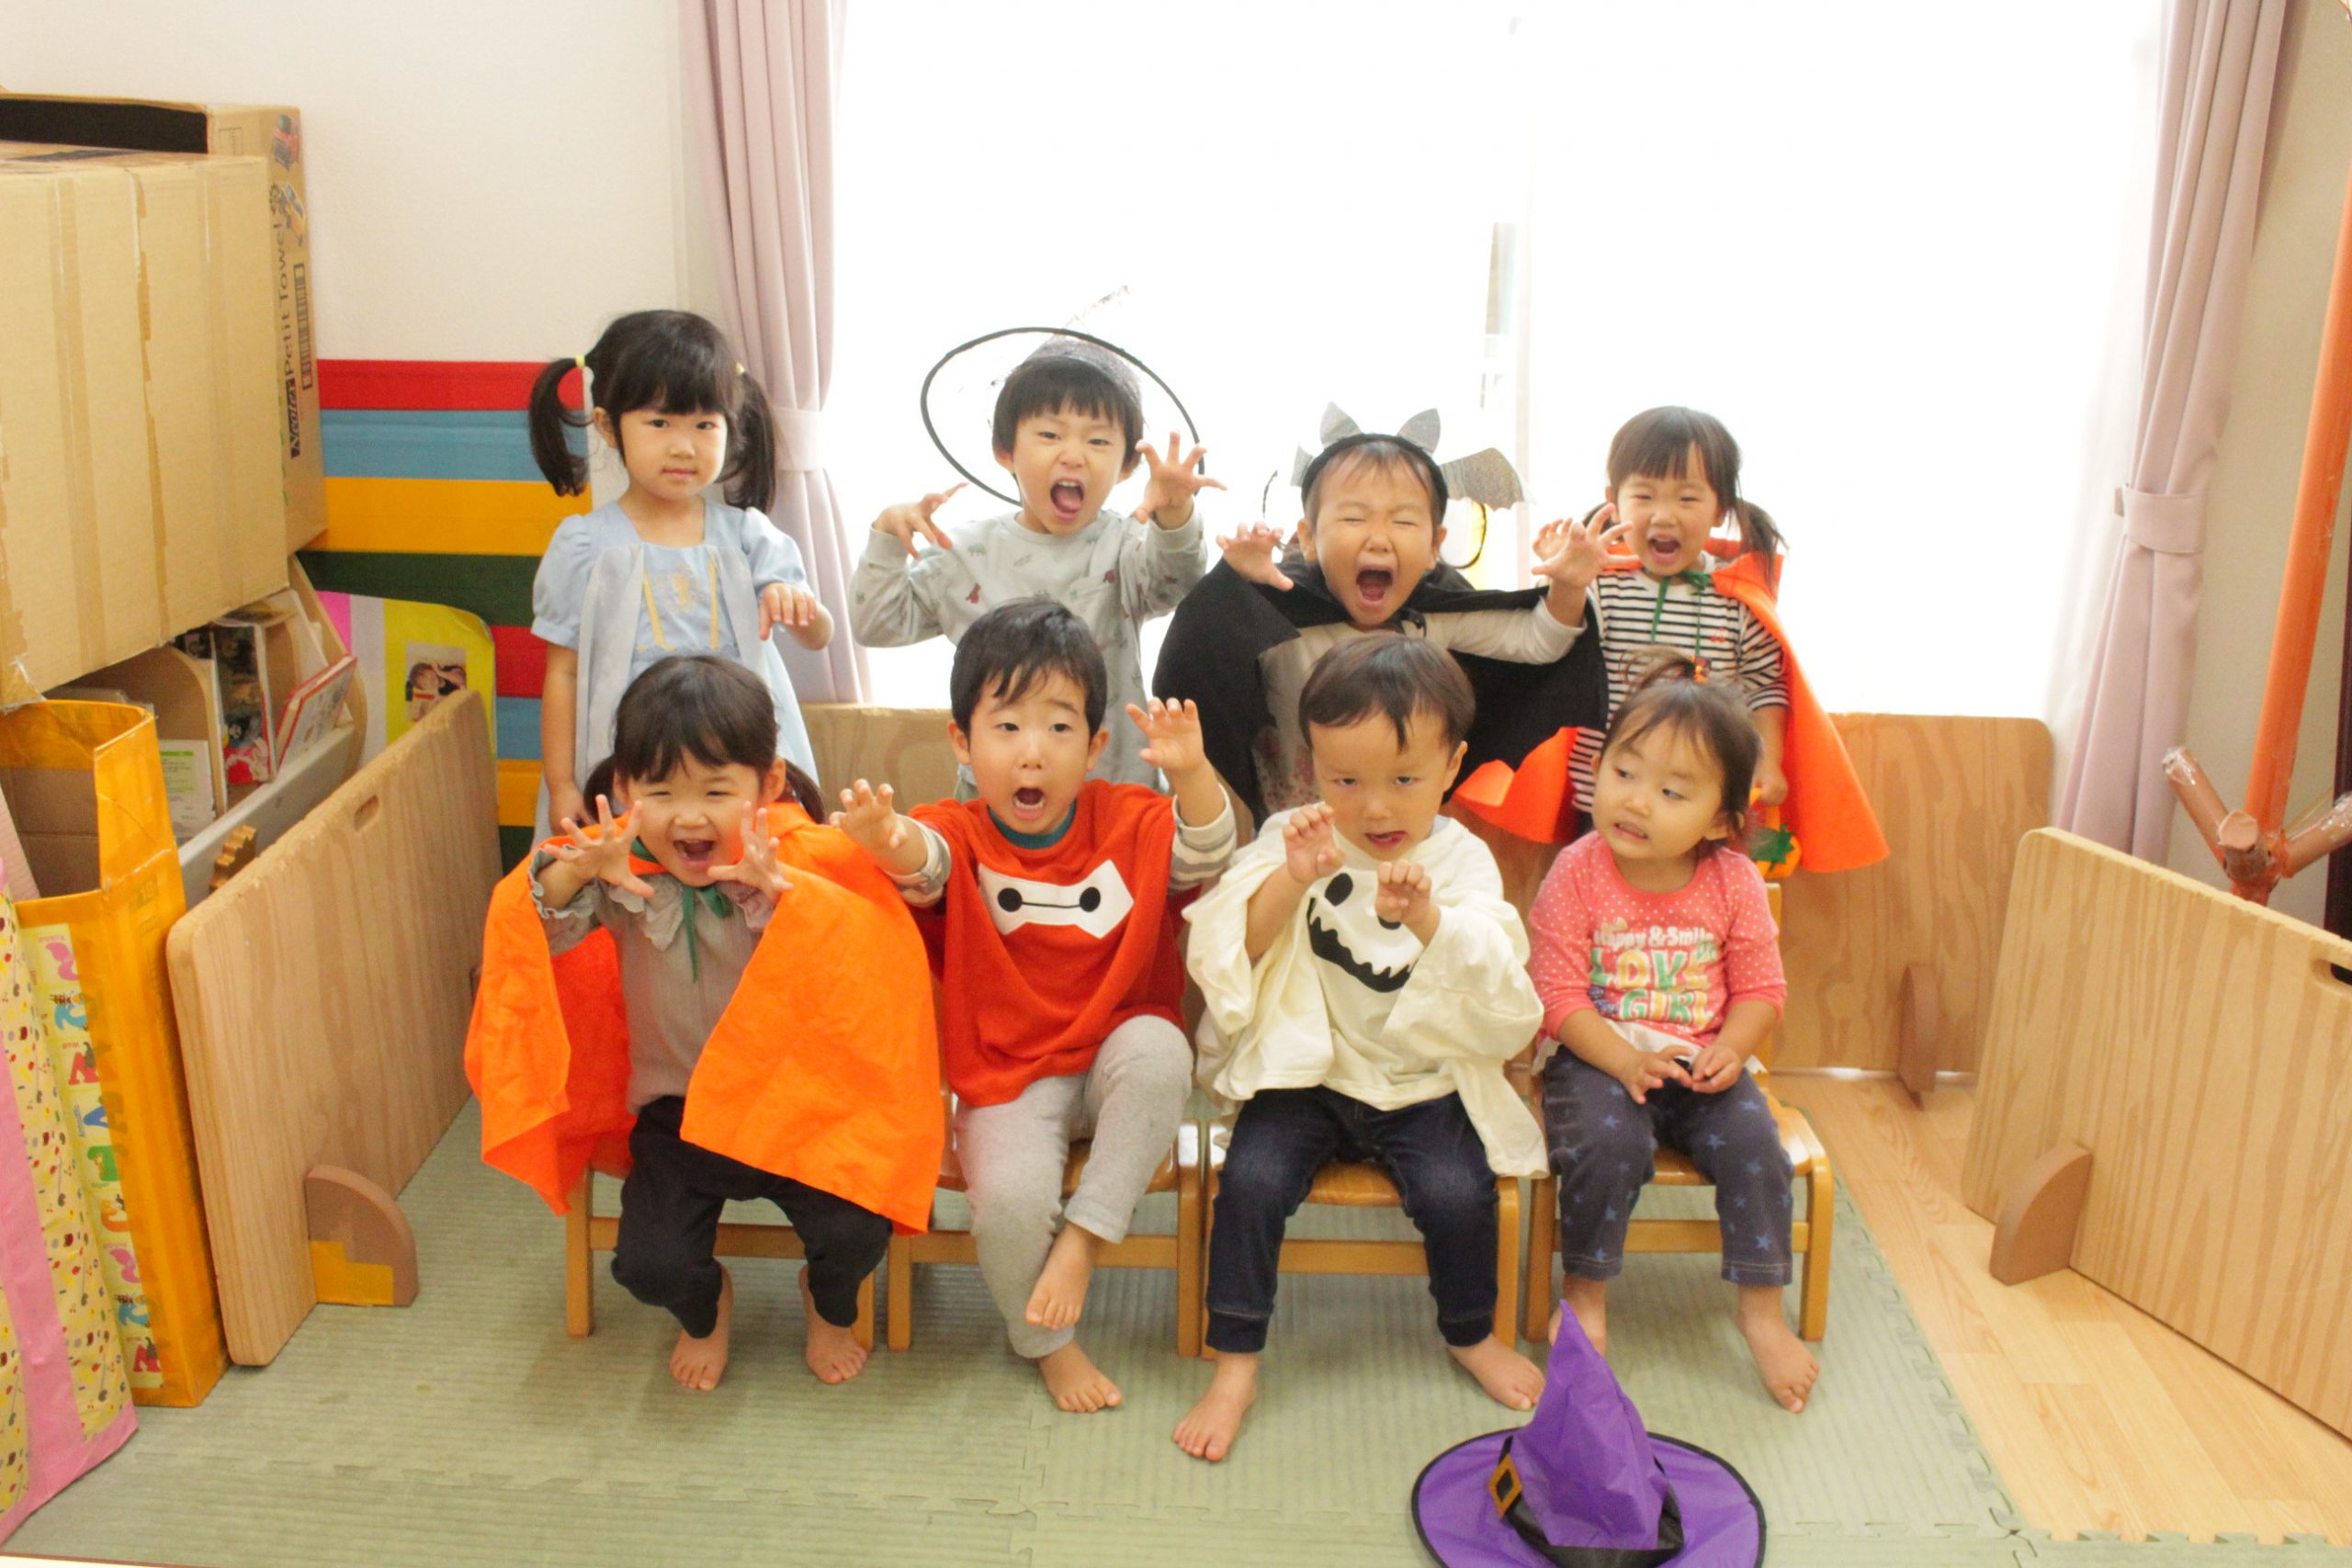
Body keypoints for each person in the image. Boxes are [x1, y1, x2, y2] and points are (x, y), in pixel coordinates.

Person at [464, 655, 941, 1393]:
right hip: (677, 1118)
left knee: (858, 1228)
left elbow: (873, 956)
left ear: (768, 785)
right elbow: (533, 928)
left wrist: (789, 901)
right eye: (661, 791)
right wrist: (578, 870)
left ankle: (827, 1300)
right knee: (646, 1264)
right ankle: (705, 1302)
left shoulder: (798, 861)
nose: (689, 817)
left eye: (716, 791)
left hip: (796, 1106)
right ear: (626, 789)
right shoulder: (622, 875)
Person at [831, 600, 1236, 1413]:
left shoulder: (1127, 817)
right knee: (1009, 1208)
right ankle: (1046, 1344)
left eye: (1058, 727)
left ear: (1094, 744)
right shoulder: (959, 830)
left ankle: (1082, 1239)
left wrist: (1192, 774)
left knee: (1164, 1048)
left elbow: (1206, 849)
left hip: (1118, 1058)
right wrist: (884, 838)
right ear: (962, 741)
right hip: (1008, 1076)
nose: (1032, 751)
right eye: (1007, 726)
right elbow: (925, 862)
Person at [1175, 637, 1549, 1463]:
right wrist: (1291, 878)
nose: (1376, 809)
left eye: (1403, 781)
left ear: (1451, 766)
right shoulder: (1295, 833)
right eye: (1346, 781)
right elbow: (1234, 949)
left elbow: (1497, 970)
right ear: (1313, 765)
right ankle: (1236, 1362)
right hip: (1308, 1075)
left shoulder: (1460, 858)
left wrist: (1428, 919)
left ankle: (1471, 1332)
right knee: (1251, 1182)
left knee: (1458, 1192)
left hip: (1419, 1082)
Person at [1525, 650, 1819, 1413]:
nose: (1635, 801)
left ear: (1721, 820)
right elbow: (1555, 996)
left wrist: (1733, 1048)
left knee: (1757, 1146)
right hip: (1596, 1053)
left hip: (1700, 1058)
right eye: (1623, 772)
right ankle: (1586, 1291)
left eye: (1671, 791)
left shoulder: (1735, 881)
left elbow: (1762, 990)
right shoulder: (1577, 871)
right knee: (1606, 1146)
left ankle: (1760, 1312)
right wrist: (1623, 1059)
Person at [1476, 404, 1883, 869]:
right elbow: (1556, 644)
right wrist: (1567, 582)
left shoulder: (1735, 600)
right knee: (1599, 899)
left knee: (1700, 906)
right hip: (1607, 798)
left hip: (1702, 806)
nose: (1664, 515)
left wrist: (1767, 761)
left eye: (1687, 499)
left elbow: (1764, 687)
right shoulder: (1602, 587)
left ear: (1720, 509)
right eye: (1644, 495)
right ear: (1614, 501)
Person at [1154, 428, 1606, 829]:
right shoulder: (1278, 612)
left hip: (1394, 833)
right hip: (1291, 833)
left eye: (1403, 520)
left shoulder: (1435, 618)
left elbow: (1540, 642)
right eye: (1354, 518)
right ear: (1308, 538)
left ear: (1434, 546)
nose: (1378, 537)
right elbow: (1197, 659)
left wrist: (1568, 588)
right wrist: (1234, 586)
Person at [850, 337, 1219, 786]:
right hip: (997, 798)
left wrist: (1175, 511)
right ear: (1006, 451)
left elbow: (1178, 582)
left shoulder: (1126, 544)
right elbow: (876, 624)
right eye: (1049, 435)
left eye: (1098, 440)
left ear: (1126, 466)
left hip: (1113, 792)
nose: (1073, 455)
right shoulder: (962, 553)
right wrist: (888, 538)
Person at [525, 309, 832, 839]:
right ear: (608, 425)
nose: (683, 446)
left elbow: (818, 636)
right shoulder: (585, 545)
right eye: (660, 423)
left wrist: (799, 604)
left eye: (705, 424)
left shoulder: (748, 537)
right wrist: (561, 785)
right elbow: (563, 674)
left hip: (736, 769)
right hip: (629, 773)